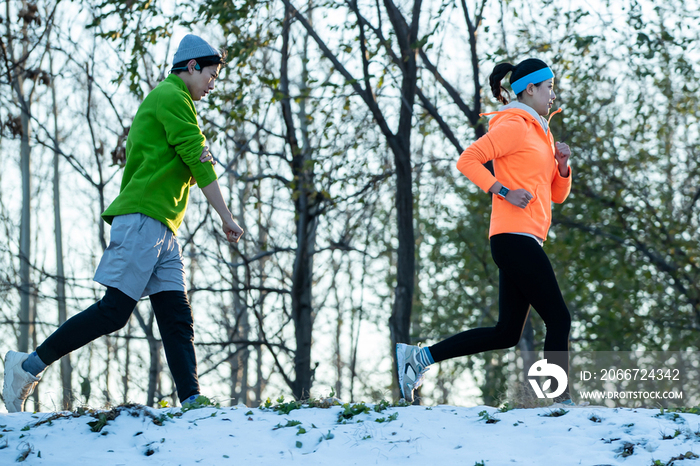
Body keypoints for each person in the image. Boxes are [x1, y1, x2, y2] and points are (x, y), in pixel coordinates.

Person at [3, 34, 244, 413]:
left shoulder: (175, 102)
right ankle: (26, 366)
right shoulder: (171, 97)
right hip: (143, 220)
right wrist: (226, 216)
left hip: (163, 227)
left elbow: (188, 161)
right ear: (193, 66)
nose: (213, 84)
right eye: (211, 75)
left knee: (176, 315)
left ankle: (193, 401)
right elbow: (200, 158)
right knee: (114, 312)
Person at [397, 58, 573, 404]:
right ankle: (560, 401)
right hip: (512, 236)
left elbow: (556, 194)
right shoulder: (514, 125)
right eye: (549, 87)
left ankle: (418, 358)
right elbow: (468, 160)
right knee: (558, 317)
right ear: (530, 88)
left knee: (506, 332)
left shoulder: (541, 131)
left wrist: (563, 166)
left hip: (527, 237)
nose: (553, 94)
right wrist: (503, 191)